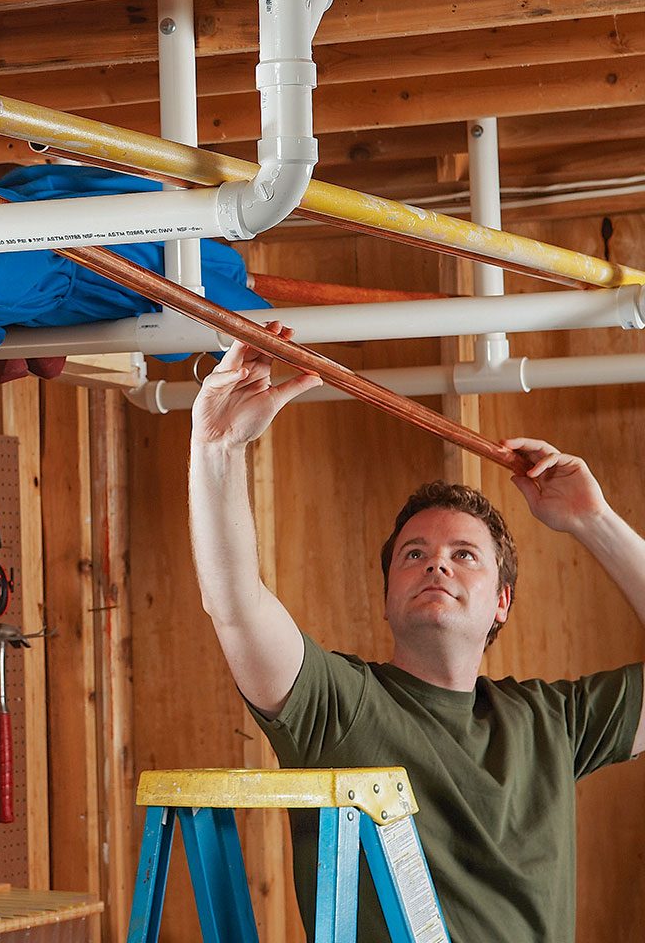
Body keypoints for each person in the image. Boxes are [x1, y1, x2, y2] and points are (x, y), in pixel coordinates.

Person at [188, 325, 645, 942]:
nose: (437, 564)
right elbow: (236, 604)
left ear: (501, 603)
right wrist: (216, 448)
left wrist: (595, 521)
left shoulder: (552, 723)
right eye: (414, 554)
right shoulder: (340, 706)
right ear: (386, 599)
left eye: (464, 555)